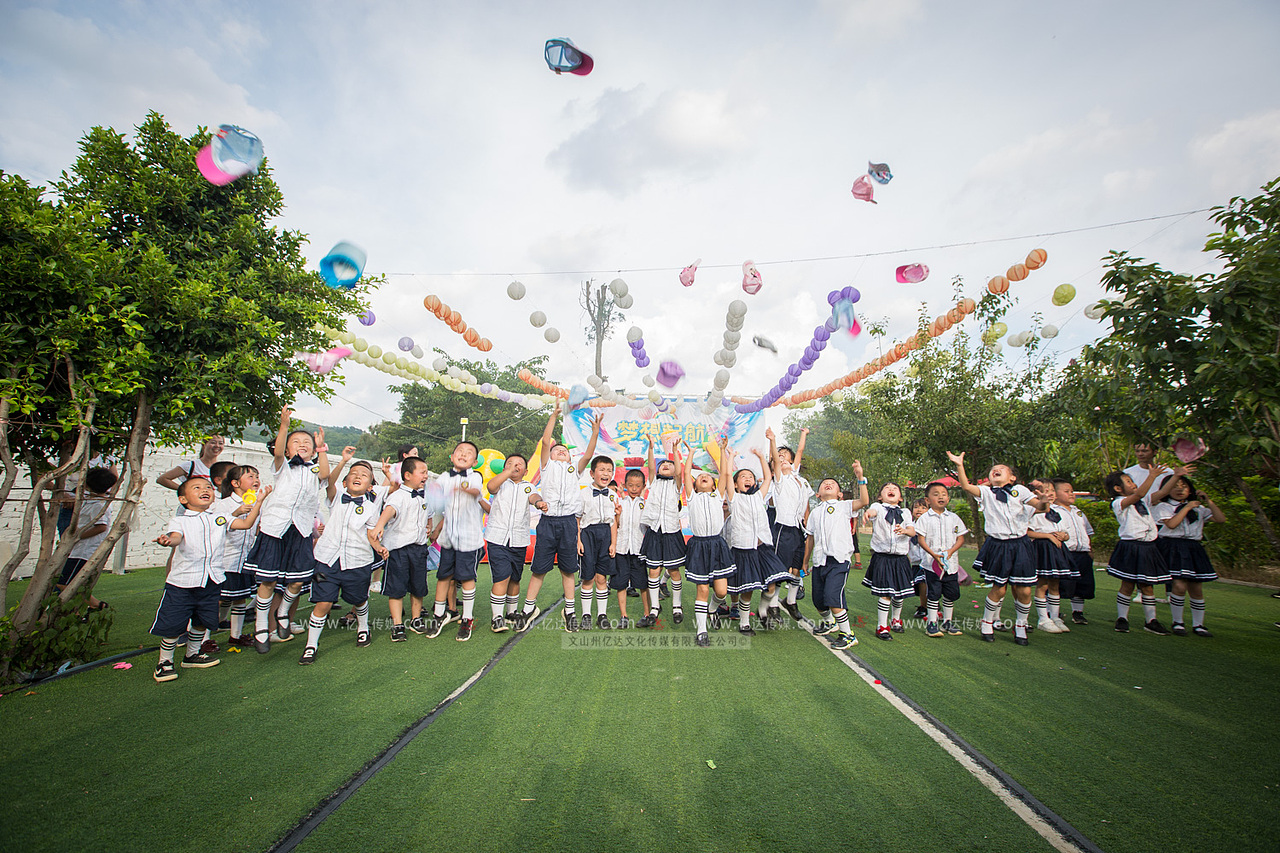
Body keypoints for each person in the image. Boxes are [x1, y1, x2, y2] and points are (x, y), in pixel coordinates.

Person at [150, 477, 269, 682]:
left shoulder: (219, 518)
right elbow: (176, 536)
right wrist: (168, 541)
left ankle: (192, 655)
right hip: (183, 583)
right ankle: (165, 662)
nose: (205, 490)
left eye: (208, 488)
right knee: (173, 623)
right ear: (183, 498)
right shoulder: (180, 520)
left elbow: (247, 523)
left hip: (212, 580)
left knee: (202, 621)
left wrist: (259, 502)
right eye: (196, 488)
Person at [245, 408, 329, 654]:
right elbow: (280, 451)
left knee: (297, 580)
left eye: (307, 443)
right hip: (276, 526)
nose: (301, 444)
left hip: (301, 529)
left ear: (313, 450)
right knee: (268, 580)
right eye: (296, 442)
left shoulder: (314, 470)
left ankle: (284, 612)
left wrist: (322, 448)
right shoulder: (281, 466)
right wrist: (284, 426)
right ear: (287, 449)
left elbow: (325, 474)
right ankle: (261, 625)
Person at [947, 451, 1046, 646]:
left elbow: (1040, 507)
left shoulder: (1021, 491)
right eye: (993, 470)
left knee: (1024, 590)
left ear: (1012, 477)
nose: (996, 470)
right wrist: (959, 465)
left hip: (1020, 544)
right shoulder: (986, 493)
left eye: (1001, 469)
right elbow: (966, 486)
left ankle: (1020, 625)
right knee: (999, 589)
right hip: (998, 545)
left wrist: (1044, 499)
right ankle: (987, 622)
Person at [521, 408, 598, 630]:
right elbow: (546, 442)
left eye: (565, 450)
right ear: (551, 456)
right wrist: (553, 416)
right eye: (558, 450)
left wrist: (594, 433)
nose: (561, 451)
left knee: (568, 569)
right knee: (539, 568)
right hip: (548, 521)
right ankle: (528, 608)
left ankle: (570, 610)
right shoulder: (547, 467)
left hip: (568, 523)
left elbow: (588, 455)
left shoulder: (574, 469)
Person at [300, 460, 384, 663]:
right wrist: (343, 462)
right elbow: (329, 482)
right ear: (345, 482)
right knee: (324, 602)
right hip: (327, 559)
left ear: (371, 485)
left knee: (359, 598)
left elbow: (371, 534)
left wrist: (380, 548)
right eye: (353, 474)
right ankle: (311, 645)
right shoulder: (335, 498)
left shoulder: (372, 508)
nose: (357, 476)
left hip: (357, 560)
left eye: (364, 475)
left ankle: (363, 627)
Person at [425, 441, 489, 642]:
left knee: (467, 578)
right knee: (443, 577)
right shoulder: (444, 477)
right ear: (452, 457)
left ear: (475, 461)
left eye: (469, 452)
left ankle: (467, 618)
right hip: (448, 539)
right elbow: (435, 498)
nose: (463, 454)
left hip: (468, 539)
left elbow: (475, 491)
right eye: (459, 451)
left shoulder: (475, 477)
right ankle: (438, 615)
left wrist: (464, 490)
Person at [803, 463, 871, 649]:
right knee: (819, 600)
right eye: (824, 483)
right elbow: (810, 538)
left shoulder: (844, 506)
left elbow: (864, 501)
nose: (828, 484)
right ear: (818, 494)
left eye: (832, 483)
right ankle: (830, 622)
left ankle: (848, 634)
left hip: (839, 560)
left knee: (833, 597)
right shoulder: (815, 513)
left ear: (840, 494)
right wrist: (805, 562)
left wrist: (860, 477)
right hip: (819, 561)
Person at [725, 447, 789, 635]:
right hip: (744, 549)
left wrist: (762, 457)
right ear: (736, 484)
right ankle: (744, 623)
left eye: (750, 477)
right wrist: (731, 457)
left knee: (771, 586)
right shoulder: (734, 499)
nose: (747, 479)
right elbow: (728, 475)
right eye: (742, 477)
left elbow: (768, 478)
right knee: (748, 588)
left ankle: (762, 610)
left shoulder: (759, 497)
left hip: (763, 548)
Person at [1103, 466, 1173, 635]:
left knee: (1147, 585)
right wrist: (1152, 476)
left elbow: (1162, 492)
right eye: (1129, 482)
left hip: (1148, 547)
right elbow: (1139, 494)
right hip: (1131, 547)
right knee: (1127, 584)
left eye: (1133, 481)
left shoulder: (1144, 501)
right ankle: (1122, 618)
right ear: (1118, 489)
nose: (1133, 484)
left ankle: (1151, 620)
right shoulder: (1118, 502)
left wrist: (1176, 476)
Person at [1154, 475, 1225, 637]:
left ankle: (1198, 624)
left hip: (1193, 548)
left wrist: (1208, 501)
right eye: (1175, 486)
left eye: (1184, 486)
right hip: (1174, 546)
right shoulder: (1164, 507)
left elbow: (1220, 519)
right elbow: (1172, 524)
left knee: (1196, 588)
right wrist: (1186, 508)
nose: (1180, 489)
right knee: (1178, 585)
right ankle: (1177, 622)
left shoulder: (1198, 509)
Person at [372, 456, 433, 642]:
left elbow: (427, 516)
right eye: (422, 472)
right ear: (407, 475)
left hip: (419, 548)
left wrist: (428, 528)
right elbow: (389, 510)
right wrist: (379, 526)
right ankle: (398, 625)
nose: (426, 475)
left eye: (426, 472)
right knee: (396, 588)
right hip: (398, 550)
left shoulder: (424, 496)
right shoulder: (398, 495)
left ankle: (416, 620)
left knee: (418, 586)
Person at [483, 454, 547, 633]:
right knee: (501, 576)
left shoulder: (528, 486)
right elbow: (491, 487)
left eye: (519, 464)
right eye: (510, 464)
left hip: (518, 539)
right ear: (504, 468)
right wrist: (507, 472)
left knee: (515, 578)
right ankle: (497, 617)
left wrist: (539, 502)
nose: (514, 466)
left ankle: (511, 612)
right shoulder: (500, 483)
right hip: (497, 538)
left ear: (526, 471)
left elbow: (533, 496)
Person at [682, 436, 735, 646]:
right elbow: (686, 473)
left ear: (713, 486)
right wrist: (691, 453)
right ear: (694, 485)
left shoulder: (717, 496)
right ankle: (701, 631)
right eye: (700, 476)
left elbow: (724, 473)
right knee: (702, 589)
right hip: (698, 546)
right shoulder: (692, 497)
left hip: (717, 544)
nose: (703, 477)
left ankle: (713, 609)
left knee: (721, 591)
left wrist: (722, 450)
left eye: (707, 476)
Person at [639, 435, 687, 627]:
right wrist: (651, 448)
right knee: (653, 570)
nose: (665, 465)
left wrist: (674, 451)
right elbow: (650, 467)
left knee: (674, 570)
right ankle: (654, 608)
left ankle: (677, 605)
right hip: (654, 530)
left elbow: (679, 473)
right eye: (663, 464)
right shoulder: (653, 482)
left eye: (670, 464)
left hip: (671, 531)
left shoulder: (677, 485)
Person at [860, 481, 919, 640]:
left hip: (900, 558)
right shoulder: (878, 507)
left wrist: (905, 530)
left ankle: (896, 619)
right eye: (887, 488)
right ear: (880, 496)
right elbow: (872, 511)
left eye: (895, 489)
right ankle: (882, 626)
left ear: (900, 497)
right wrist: (867, 514)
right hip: (883, 557)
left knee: (899, 594)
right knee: (886, 593)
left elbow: (913, 532)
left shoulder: (906, 512)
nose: (891, 490)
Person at [56, 466, 118, 611]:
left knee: (64, 583)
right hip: (78, 549)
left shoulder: (99, 504)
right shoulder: (92, 499)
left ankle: (94, 604)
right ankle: (81, 609)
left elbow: (101, 527)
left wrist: (76, 536)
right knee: (69, 582)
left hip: (83, 551)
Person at [766, 427, 811, 623]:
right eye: (779, 457)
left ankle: (790, 601)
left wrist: (804, 434)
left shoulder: (797, 478)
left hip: (797, 529)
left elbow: (799, 452)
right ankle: (773, 604)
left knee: (796, 568)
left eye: (786, 457)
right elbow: (775, 460)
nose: (782, 459)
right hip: (782, 528)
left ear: (793, 462)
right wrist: (772, 440)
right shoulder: (780, 479)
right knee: (780, 568)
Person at [214, 465, 262, 648]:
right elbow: (217, 526)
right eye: (250, 476)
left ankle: (235, 635)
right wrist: (236, 513)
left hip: (245, 560)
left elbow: (256, 529)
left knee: (240, 598)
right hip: (225, 561)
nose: (255, 479)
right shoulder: (223, 504)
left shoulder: (257, 503)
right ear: (235, 483)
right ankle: (202, 638)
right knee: (218, 599)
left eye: (257, 476)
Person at [913, 481, 968, 637]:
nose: (941, 497)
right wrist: (933, 554)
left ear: (948, 498)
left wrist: (951, 551)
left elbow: (960, 538)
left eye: (944, 494)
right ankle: (932, 622)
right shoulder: (925, 519)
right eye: (936, 494)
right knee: (934, 593)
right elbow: (921, 539)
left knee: (951, 593)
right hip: (932, 565)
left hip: (951, 564)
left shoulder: (954, 518)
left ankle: (947, 622)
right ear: (928, 500)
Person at [577, 455, 619, 630]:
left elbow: (614, 521)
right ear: (592, 473)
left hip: (606, 535)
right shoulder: (583, 494)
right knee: (588, 578)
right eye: (602, 470)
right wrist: (578, 540)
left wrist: (613, 543)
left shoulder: (613, 495)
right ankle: (586, 615)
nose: (606, 474)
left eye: (609, 471)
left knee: (602, 577)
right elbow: (577, 519)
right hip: (587, 534)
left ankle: (602, 615)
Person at [1027, 478, 1072, 634]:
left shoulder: (1059, 511)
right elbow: (1027, 531)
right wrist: (1047, 536)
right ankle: (1043, 618)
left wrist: (1063, 535)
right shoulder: (1032, 511)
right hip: (1042, 548)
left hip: (1057, 549)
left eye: (1052, 490)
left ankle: (1055, 617)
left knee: (1055, 584)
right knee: (1043, 584)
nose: (1050, 494)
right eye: (1046, 491)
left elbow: (1067, 532)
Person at [1051, 478, 1096, 625]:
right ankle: (1052, 612)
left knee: (1082, 583)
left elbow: (1087, 531)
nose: (1071, 494)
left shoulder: (1078, 512)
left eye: (1072, 491)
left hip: (1082, 553)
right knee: (1060, 584)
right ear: (1055, 494)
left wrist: (1090, 549)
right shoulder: (1053, 511)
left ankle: (1078, 612)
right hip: (1065, 553)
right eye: (1066, 491)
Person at [612, 468, 648, 628]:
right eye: (631, 485)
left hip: (639, 550)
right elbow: (616, 525)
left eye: (637, 486)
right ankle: (623, 615)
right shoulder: (620, 503)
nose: (634, 489)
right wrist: (618, 515)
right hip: (621, 549)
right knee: (620, 583)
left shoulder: (645, 505)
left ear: (643, 486)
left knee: (642, 584)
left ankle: (647, 614)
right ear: (625, 485)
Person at [908, 497, 930, 620]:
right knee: (918, 585)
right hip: (916, 561)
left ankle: (925, 607)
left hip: (928, 560)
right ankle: (927, 605)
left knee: (924, 582)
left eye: (923, 507)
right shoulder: (911, 525)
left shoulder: (930, 524)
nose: (919, 510)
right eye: (916, 507)